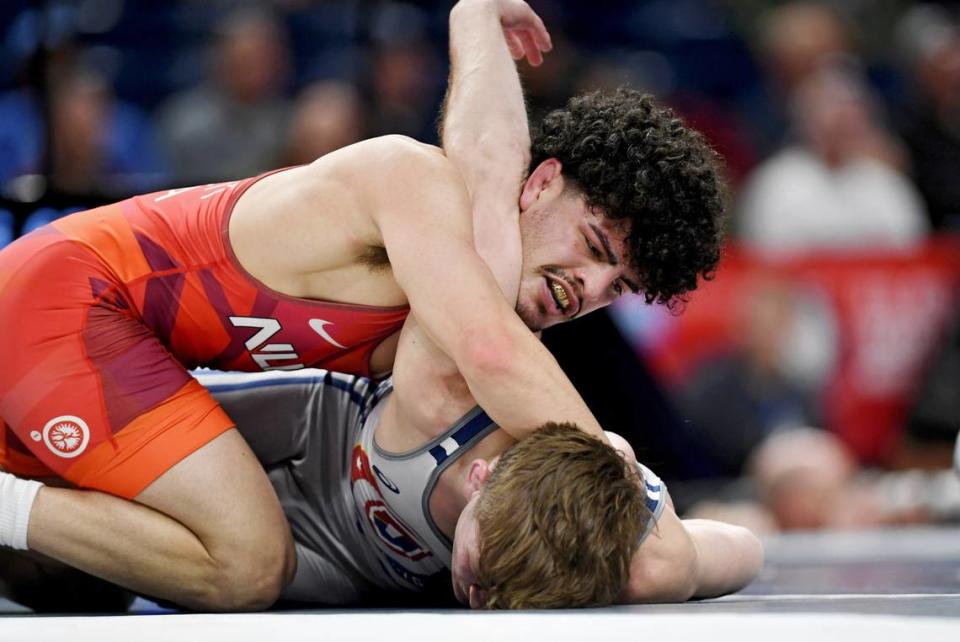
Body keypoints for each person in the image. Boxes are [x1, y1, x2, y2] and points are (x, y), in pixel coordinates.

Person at [0, 0, 725, 611]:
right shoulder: (413, 184)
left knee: (83, 582)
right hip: (71, 299)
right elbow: (494, 347)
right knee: (248, 564)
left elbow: (491, 148)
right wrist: (611, 475)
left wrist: (474, 24)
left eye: (618, 287)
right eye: (596, 247)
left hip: (120, 342)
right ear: (539, 184)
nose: (590, 292)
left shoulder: (478, 265)